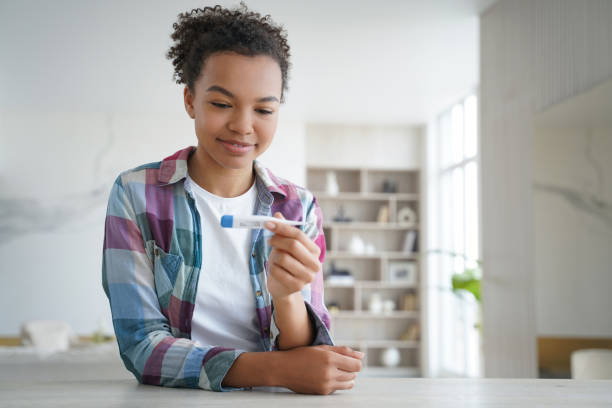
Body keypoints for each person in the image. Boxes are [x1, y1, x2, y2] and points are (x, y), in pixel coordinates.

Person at [101, 3, 363, 395]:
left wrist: (287, 296)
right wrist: (274, 370)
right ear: (190, 100)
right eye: (222, 104)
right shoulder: (136, 194)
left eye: (263, 109)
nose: (242, 126)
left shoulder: (297, 207)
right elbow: (141, 346)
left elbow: (305, 352)